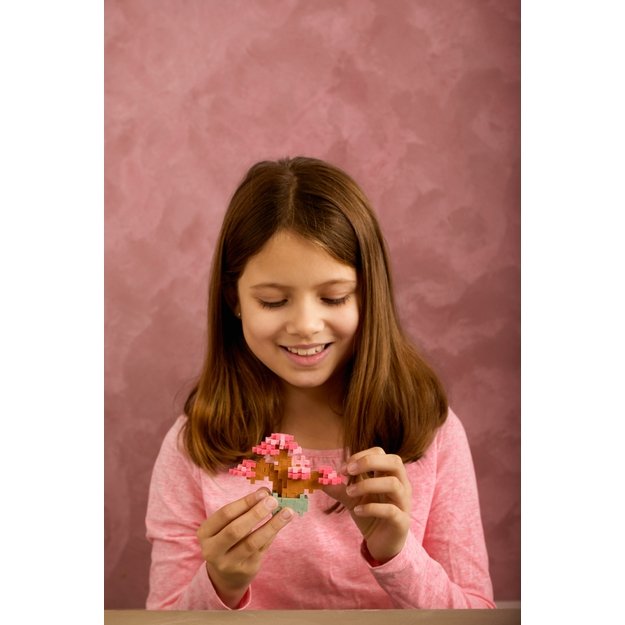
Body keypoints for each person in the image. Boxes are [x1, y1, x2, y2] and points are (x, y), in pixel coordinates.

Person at [146, 156, 495, 610]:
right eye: (274, 302)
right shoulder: (193, 444)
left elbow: (476, 614)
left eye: (334, 297)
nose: (306, 325)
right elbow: (163, 616)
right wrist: (220, 586)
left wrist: (396, 554)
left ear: (368, 295)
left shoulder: (432, 432)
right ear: (234, 300)